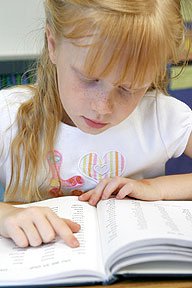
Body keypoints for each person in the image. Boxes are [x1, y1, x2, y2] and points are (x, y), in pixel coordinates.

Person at [0, 0, 192, 248]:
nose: (103, 108)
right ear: (53, 44)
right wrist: (6, 215)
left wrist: (157, 188)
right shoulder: (8, 115)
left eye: (128, 89)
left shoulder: (162, 116)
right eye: (88, 78)